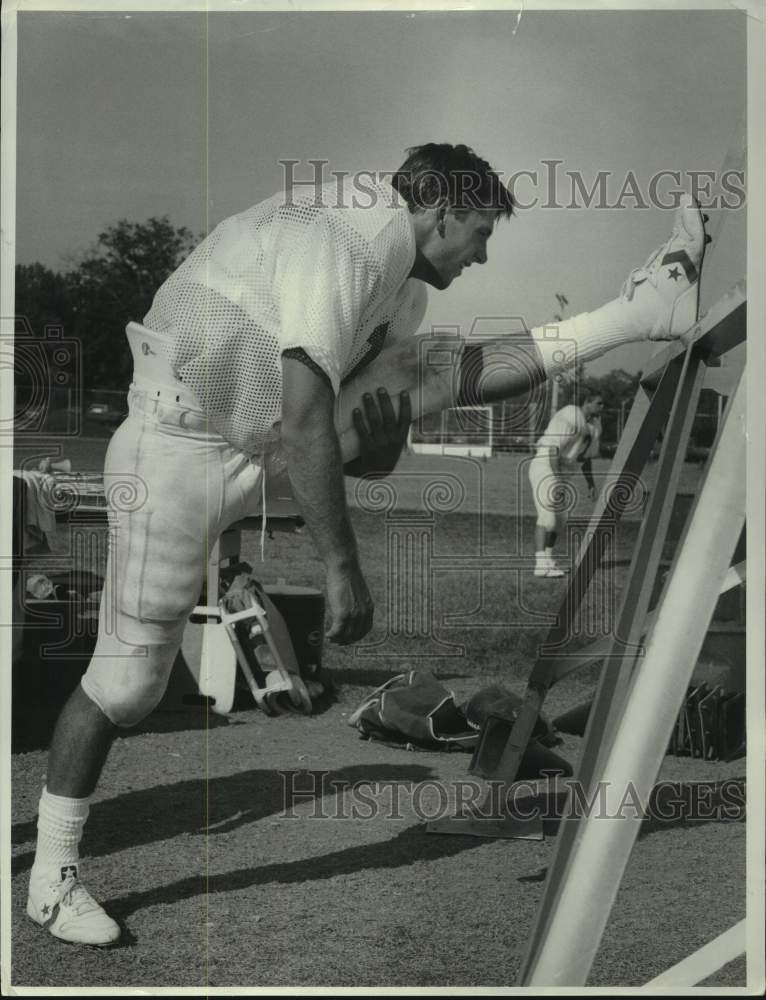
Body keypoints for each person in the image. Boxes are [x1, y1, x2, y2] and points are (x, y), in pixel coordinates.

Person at [25, 143, 708, 945]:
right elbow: (307, 410)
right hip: (174, 447)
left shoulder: (402, 294)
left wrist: (385, 438)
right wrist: (342, 566)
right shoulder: (351, 235)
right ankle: (51, 876)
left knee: (447, 366)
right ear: (441, 210)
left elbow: (366, 443)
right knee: (129, 684)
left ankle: (639, 312)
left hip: (256, 447)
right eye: (481, 231)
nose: (483, 251)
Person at [528, 393, 605, 578]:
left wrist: (590, 483)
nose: (602, 407)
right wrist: (557, 479)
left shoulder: (595, 426)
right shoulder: (569, 414)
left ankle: (547, 558)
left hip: (564, 472)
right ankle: (540, 565)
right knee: (547, 515)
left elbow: (584, 458)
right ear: (586, 401)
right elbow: (552, 448)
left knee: (560, 520)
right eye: (599, 403)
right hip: (546, 465)